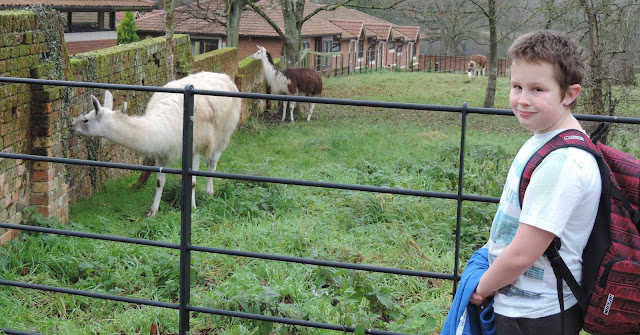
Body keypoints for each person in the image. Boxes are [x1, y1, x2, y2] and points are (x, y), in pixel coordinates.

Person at [469, 30, 602, 335]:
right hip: (520, 306)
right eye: (517, 86)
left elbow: (522, 255)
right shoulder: (541, 140)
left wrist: (482, 288)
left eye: (537, 89)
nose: (522, 99)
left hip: (538, 315)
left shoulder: (564, 162)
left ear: (569, 94)